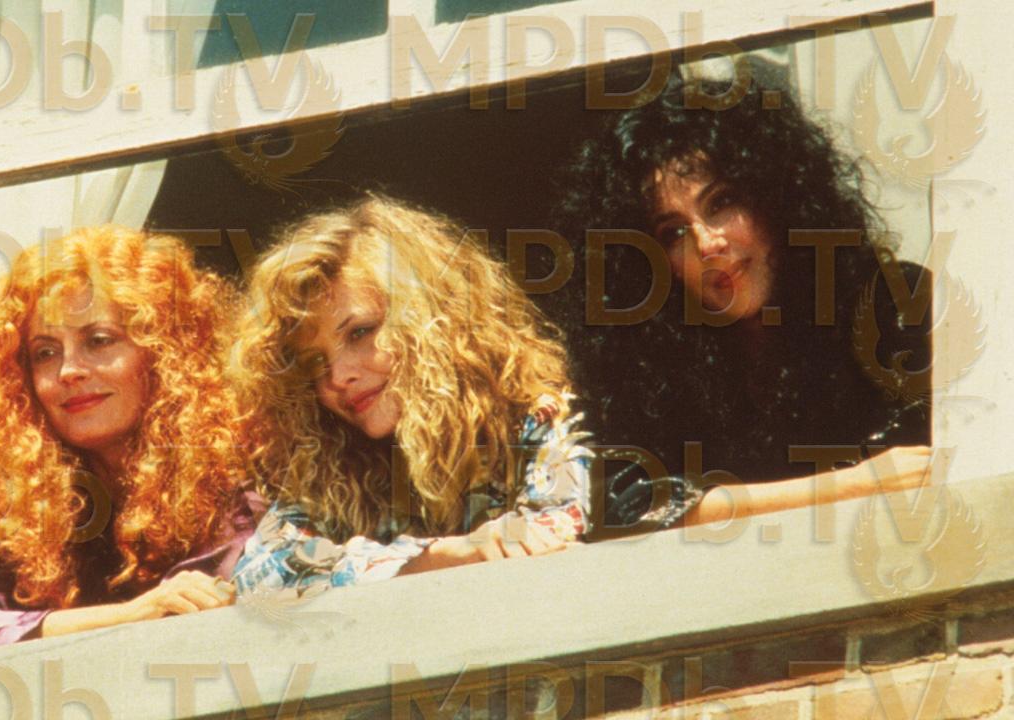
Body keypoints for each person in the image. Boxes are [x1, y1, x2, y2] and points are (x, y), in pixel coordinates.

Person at [227, 195, 929, 596]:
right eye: (314, 363)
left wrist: (859, 486)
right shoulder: (329, 465)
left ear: (430, 315)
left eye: (360, 333)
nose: (339, 377)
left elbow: (587, 516)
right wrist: (451, 553)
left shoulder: (539, 411)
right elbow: (266, 571)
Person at [0, 226, 261, 660]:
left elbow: (201, 612)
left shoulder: (239, 482)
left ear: (164, 352)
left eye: (99, 341)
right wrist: (128, 616)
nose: (69, 370)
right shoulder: (40, 511)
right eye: (45, 352)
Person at [553, 68, 931, 488]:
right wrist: (853, 484)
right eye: (674, 232)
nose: (707, 243)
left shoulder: (894, 303)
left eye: (721, 203)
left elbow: (926, 465)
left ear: (775, 196)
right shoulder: (655, 376)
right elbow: (636, 503)